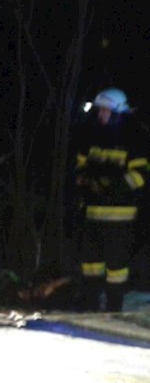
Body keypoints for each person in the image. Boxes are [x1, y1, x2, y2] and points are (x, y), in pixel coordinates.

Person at [72, 87, 149, 312]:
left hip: (120, 218)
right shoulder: (91, 137)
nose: (101, 115)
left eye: (106, 111)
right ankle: (90, 306)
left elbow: (140, 175)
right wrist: (84, 180)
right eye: (100, 110)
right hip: (91, 213)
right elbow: (79, 167)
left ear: (118, 113)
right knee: (90, 264)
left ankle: (114, 308)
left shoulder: (134, 139)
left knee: (116, 268)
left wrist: (113, 188)